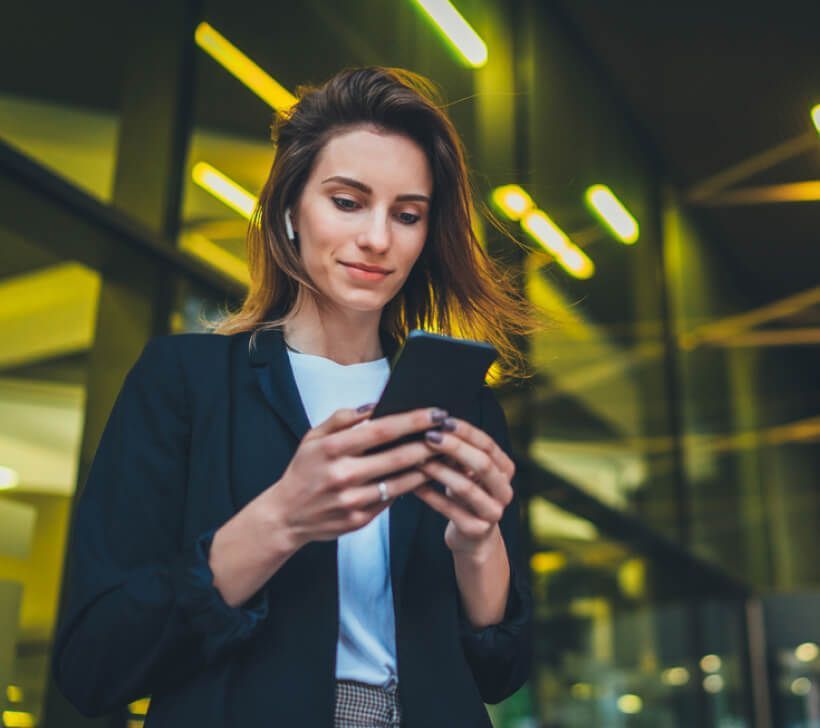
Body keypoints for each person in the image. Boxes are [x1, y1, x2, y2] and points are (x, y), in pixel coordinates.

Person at [52, 66, 538, 727]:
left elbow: (499, 672)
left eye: (408, 215)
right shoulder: (184, 380)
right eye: (346, 201)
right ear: (288, 211)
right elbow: (94, 662)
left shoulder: (462, 409)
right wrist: (281, 518)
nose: (377, 238)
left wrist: (478, 543)